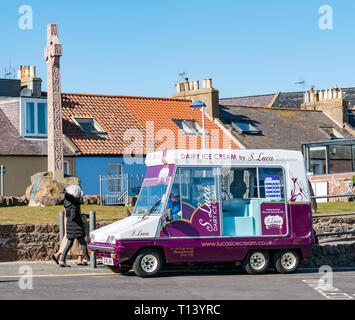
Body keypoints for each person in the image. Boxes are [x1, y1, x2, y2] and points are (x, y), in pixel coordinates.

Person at [59, 185, 91, 268]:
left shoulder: (67, 202)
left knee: (69, 244)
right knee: (83, 243)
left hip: (69, 225)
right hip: (76, 226)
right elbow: (74, 216)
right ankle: (89, 260)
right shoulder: (74, 203)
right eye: (79, 193)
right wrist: (80, 218)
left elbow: (70, 215)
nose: (80, 195)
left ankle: (62, 261)